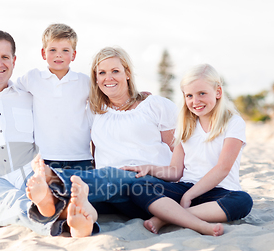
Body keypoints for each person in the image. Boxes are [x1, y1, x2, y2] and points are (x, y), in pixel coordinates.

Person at [0, 30, 98, 237]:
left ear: (14, 61)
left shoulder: (27, 95)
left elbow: (68, 105)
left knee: (58, 189)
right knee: (12, 202)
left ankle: (74, 215)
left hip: (26, 175)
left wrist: (134, 96)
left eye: (5, 57)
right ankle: (62, 221)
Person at [25, 46, 178, 233]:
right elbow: (95, 155)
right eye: (102, 73)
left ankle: (54, 178)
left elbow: (178, 154)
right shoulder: (96, 113)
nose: (109, 77)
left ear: (127, 73)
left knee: (115, 175)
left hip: (149, 187)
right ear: (96, 79)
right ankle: (79, 225)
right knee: (79, 199)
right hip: (114, 193)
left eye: (115, 71)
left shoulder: (155, 105)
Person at [124, 64, 253, 236]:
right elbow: (175, 171)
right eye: (189, 95)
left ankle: (167, 217)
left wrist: (189, 196)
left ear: (218, 92)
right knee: (138, 186)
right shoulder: (185, 125)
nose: (195, 101)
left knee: (243, 201)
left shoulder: (233, 123)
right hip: (185, 187)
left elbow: (223, 168)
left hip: (220, 192)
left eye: (202, 93)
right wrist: (150, 169)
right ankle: (179, 215)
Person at [16, 23, 93, 170]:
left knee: (80, 192)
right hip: (44, 158)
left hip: (80, 157)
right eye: (53, 50)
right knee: (47, 193)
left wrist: (138, 96)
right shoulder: (32, 78)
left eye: (65, 50)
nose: (59, 54)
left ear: (73, 55)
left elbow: (108, 99)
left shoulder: (84, 81)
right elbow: (7, 89)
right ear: (43, 53)